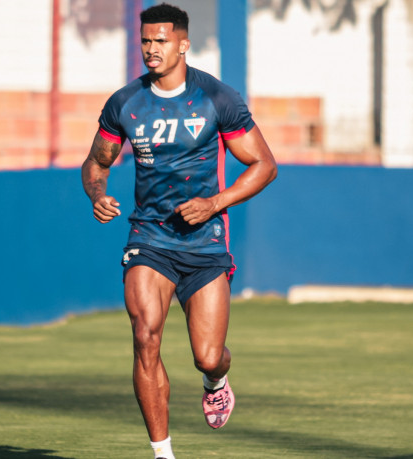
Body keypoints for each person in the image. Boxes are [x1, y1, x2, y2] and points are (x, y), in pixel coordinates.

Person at [81, 3, 276, 458]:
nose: (151, 50)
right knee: (145, 333)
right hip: (149, 238)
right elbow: (96, 162)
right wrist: (97, 194)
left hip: (205, 243)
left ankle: (216, 379)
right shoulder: (125, 103)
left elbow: (264, 165)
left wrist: (215, 203)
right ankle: (162, 453)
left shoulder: (217, 98)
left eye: (161, 41)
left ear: (183, 44)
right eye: (146, 41)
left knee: (207, 354)